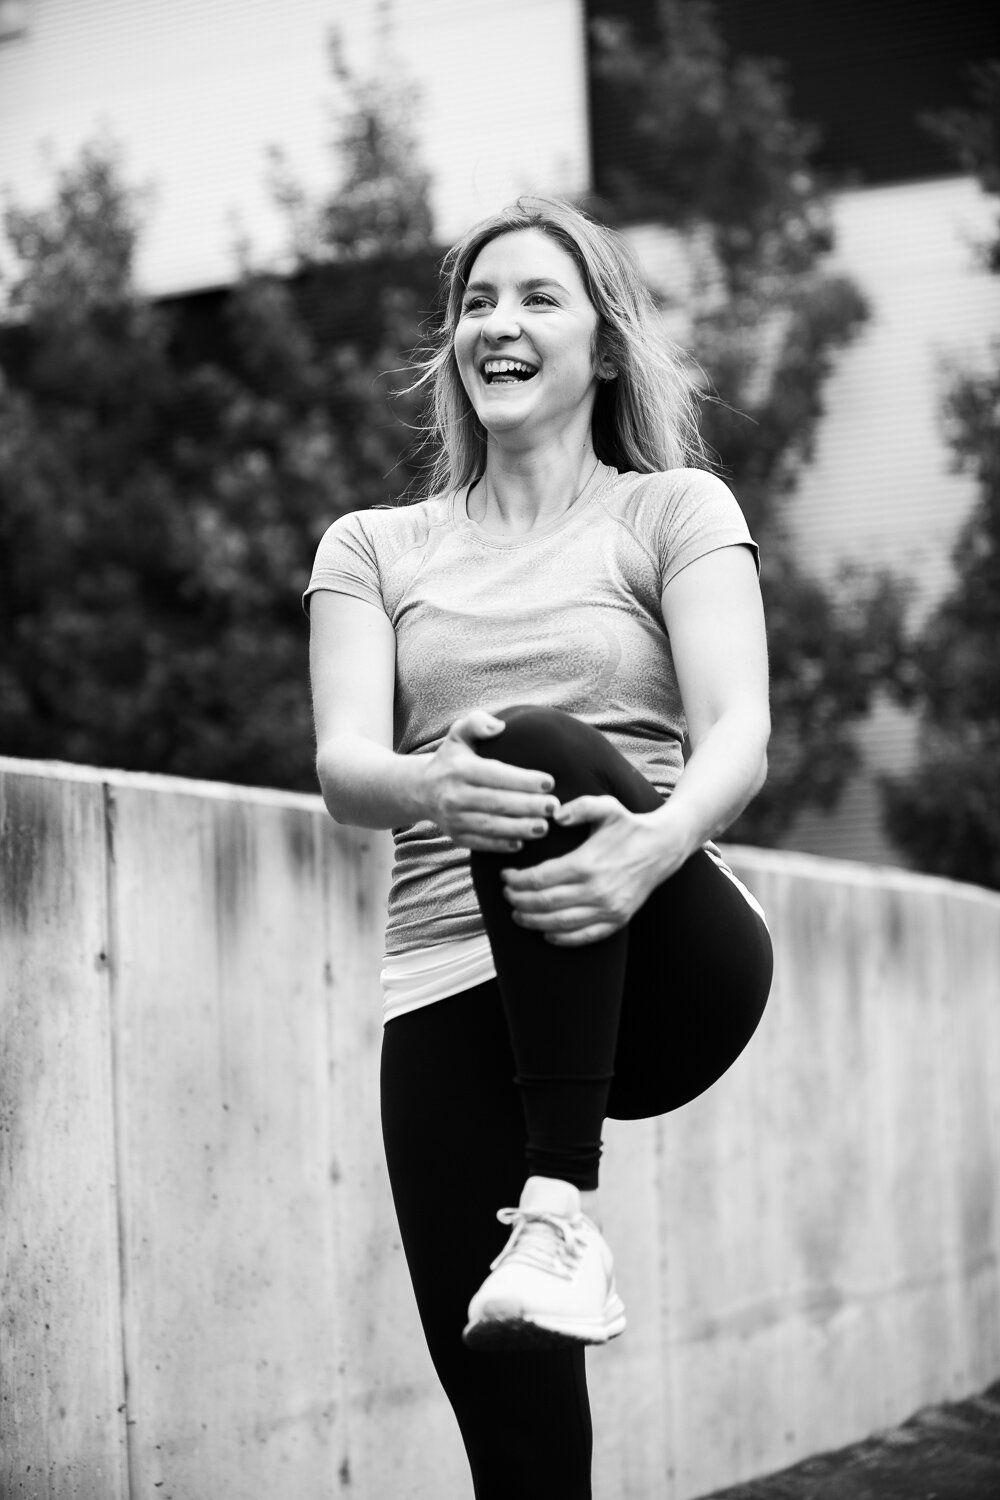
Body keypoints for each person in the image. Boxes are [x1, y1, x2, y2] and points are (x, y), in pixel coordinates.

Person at [305, 196, 773, 1500]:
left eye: (536, 297)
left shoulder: (671, 511)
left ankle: (562, 1204)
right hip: (450, 989)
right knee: (514, 1429)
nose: (496, 324)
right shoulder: (374, 548)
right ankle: (551, 1253)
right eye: (476, 302)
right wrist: (428, 784)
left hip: (662, 952)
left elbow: (740, 732)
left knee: (532, 737)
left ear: (606, 346)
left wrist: (655, 843)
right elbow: (344, 769)